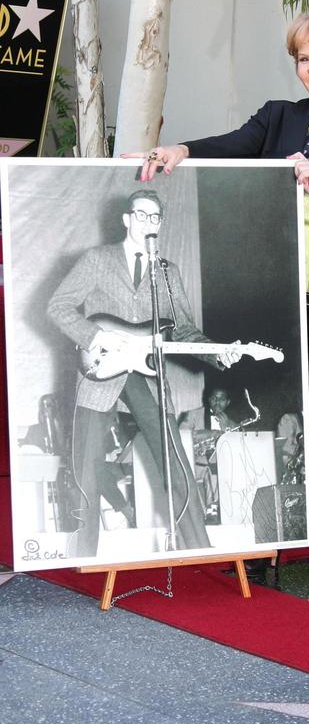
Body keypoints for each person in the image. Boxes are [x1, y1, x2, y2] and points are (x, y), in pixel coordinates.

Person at [124, 4, 309, 596]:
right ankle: (264, 542)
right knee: (268, 421)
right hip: (276, 296)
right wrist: (177, 150)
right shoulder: (278, 119)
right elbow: (229, 145)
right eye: (305, 58)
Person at [47, 188, 241, 558]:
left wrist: (219, 354)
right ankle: (84, 560)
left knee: (176, 466)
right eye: (141, 215)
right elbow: (58, 306)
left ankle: (201, 552)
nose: (147, 223)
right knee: (85, 471)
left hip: (147, 375)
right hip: (99, 371)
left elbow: (183, 329)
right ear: (126, 219)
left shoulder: (167, 273)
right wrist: (96, 336)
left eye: (155, 217)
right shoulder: (96, 260)